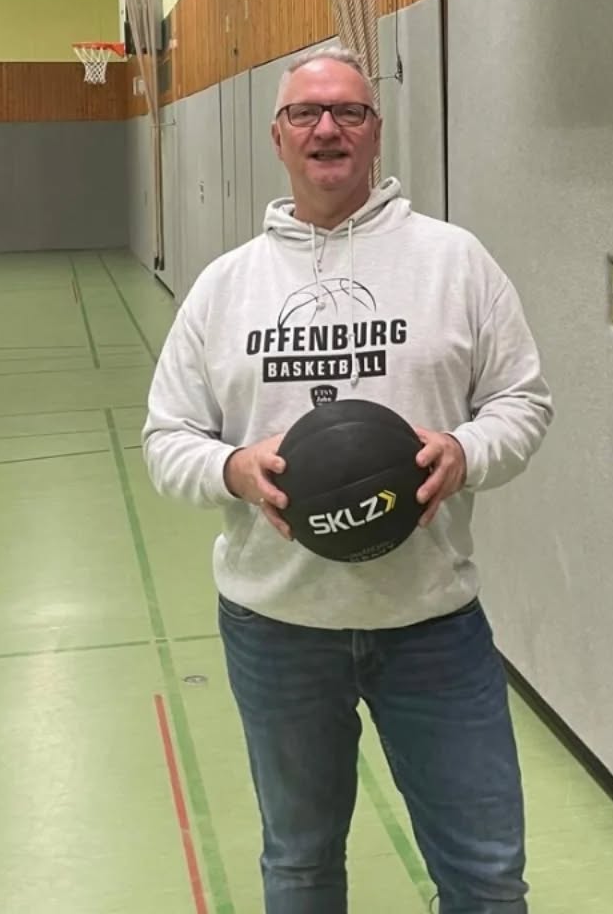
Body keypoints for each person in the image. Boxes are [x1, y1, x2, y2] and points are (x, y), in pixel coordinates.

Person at [141, 45, 553, 914]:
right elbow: (166, 438)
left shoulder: (456, 261)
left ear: (375, 132)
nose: (327, 128)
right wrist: (234, 469)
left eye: (349, 112)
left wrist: (467, 452)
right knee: (298, 865)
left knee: (486, 875)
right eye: (306, 114)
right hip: (278, 627)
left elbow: (524, 403)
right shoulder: (225, 288)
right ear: (278, 138)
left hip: (431, 625)